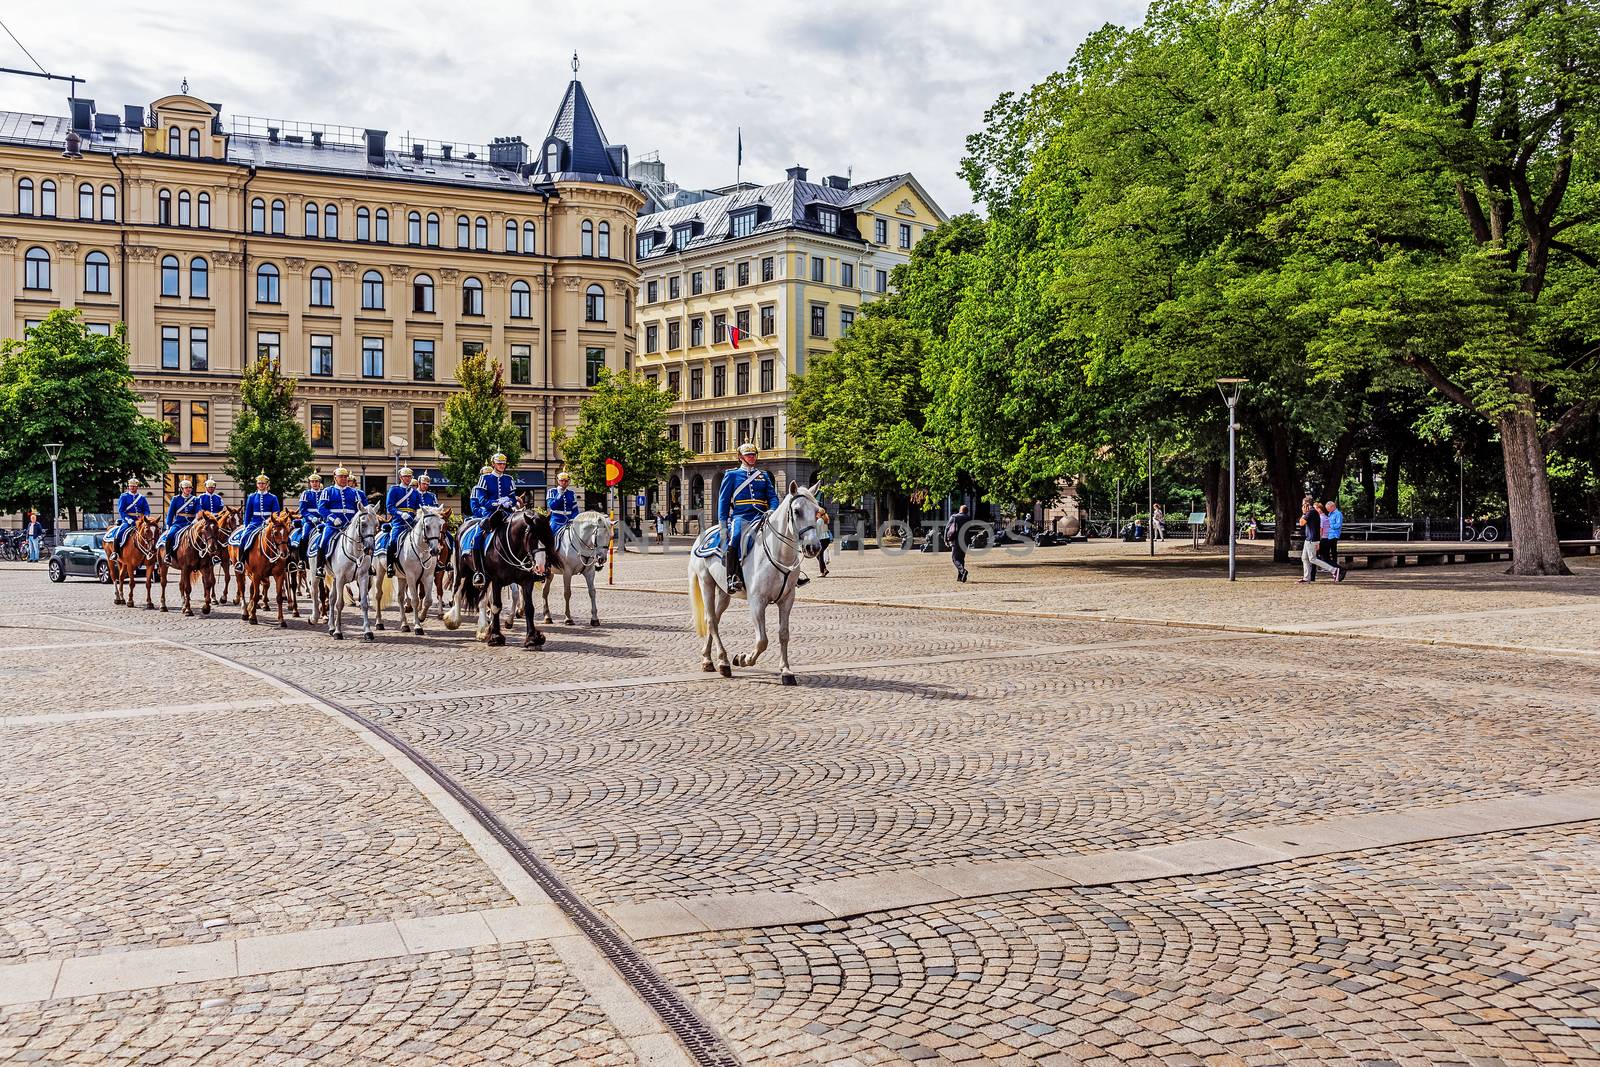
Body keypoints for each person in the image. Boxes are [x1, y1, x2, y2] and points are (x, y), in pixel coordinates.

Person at [717, 442, 779, 593]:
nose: (752, 458)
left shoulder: (763, 475)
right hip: (742, 516)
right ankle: (732, 576)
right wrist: (723, 524)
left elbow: (773, 497)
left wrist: (772, 510)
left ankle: (791, 574)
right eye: (748, 455)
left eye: (753, 455)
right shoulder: (731, 475)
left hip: (762, 516)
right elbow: (723, 501)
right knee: (736, 537)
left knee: (783, 535)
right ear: (740, 457)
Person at [461, 454, 516, 582]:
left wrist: (510, 502)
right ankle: (479, 572)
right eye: (499, 463)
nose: (502, 466)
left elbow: (513, 497)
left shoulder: (509, 479)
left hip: (507, 513)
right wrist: (497, 502)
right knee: (477, 537)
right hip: (489, 514)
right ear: (493, 464)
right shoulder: (485, 478)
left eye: (504, 463)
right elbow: (482, 500)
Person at [315, 467, 365, 565]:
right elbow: (321, 508)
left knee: (367, 541)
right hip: (333, 525)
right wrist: (333, 518)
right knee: (323, 541)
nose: (343, 479)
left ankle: (368, 566)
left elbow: (360, 509)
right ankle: (319, 567)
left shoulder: (354, 492)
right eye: (341, 477)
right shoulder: (328, 491)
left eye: (345, 477)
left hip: (351, 525)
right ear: (335, 478)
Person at [231, 473, 280, 567]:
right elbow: (248, 513)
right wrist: (246, 525)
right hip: (255, 523)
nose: (261, 485)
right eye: (259, 483)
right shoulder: (252, 497)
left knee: (282, 538)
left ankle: (285, 561)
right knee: (243, 538)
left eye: (263, 483)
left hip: (269, 523)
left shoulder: (273, 497)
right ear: (257, 484)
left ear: (267, 484)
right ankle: (240, 562)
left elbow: (276, 513)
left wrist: (268, 520)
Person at [381, 467, 423, 569]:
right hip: (399, 522)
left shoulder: (415, 492)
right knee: (393, 541)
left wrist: (418, 517)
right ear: (401, 477)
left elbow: (420, 507)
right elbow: (390, 507)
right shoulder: (394, 489)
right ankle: (390, 565)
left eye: (410, 476)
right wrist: (401, 513)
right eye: (406, 476)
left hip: (413, 522)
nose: (408, 478)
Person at [1297, 495, 1344, 584]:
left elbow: (1301, 523)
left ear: (1306, 504)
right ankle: (1306, 578)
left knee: (1312, 559)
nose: (1302, 506)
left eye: (1303, 504)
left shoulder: (1310, 512)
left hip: (1312, 539)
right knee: (1304, 558)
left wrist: (1303, 513)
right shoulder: (1312, 512)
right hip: (1309, 539)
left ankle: (1334, 570)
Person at [160, 479, 201, 560]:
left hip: (191, 524)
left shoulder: (195, 499)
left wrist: (195, 520)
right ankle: (168, 555)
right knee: (170, 536)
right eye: (186, 488)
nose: (188, 489)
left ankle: (203, 556)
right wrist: (168, 525)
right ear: (181, 489)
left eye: (190, 488)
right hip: (178, 523)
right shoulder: (175, 499)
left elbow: (198, 511)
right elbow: (170, 513)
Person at [106, 477, 151, 548]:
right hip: (128, 521)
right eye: (130, 486)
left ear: (137, 487)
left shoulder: (142, 498)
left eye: (134, 486)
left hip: (140, 521)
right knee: (119, 534)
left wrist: (146, 517)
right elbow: (121, 510)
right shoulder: (124, 496)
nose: (132, 488)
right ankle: (115, 552)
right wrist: (128, 519)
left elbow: (146, 510)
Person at [291, 473, 323, 551]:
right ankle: (302, 559)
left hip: (322, 521)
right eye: (312, 482)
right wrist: (311, 518)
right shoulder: (306, 494)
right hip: (309, 521)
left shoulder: (323, 493)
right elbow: (303, 510)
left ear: (319, 482)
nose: (314, 483)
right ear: (310, 483)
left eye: (316, 481)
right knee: (305, 536)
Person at [546, 471, 579, 539]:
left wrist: (573, 518)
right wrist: (559, 494)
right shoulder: (552, 491)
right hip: (556, 520)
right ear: (558, 481)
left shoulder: (571, 493)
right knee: (550, 536)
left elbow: (575, 509)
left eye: (566, 481)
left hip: (570, 520)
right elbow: (553, 506)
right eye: (562, 481)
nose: (564, 482)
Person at [946, 504, 972, 583]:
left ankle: (963, 571)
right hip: (965, 541)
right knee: (961, 558)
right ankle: (960, 577)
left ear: (960, 510)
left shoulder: (954, 517)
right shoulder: (968, 518)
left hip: (956, 540)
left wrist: (946, 539)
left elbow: (947, 528)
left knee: (955, 559)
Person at [1320, 498, 1343, 571]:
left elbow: (1338, 525)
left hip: (1334, 535)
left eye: (1328, 508)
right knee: (1328, 550)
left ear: (1333, 506)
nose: (1327, 510)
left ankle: (1334, 566)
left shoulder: (1338, 514)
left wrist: (1330, 525)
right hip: (1328, 535)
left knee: (1332, 550)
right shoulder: (1330, 513)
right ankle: (1329, 565)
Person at [817, 509, 833, 577]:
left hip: (823, 539)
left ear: (819, 513)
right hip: (826, 539)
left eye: (817, 512)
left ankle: (822, 572)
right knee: (818, 554)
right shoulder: (824, 519)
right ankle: (824, 570)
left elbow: (816, 530)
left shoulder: (820, 520)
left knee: (819, 554)